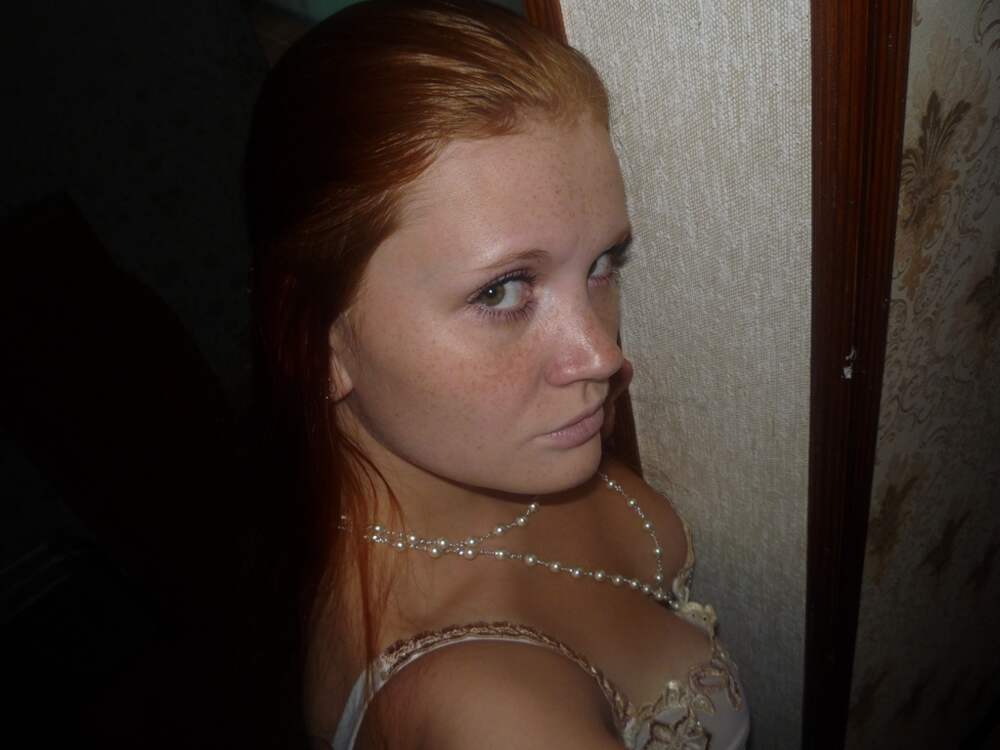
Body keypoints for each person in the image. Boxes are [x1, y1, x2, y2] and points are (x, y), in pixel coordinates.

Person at [244, 1, 750, 748]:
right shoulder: (488, 713)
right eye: (501, 291)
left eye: (602, 264)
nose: (601, 356)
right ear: (322, 343)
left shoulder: (492, 449)